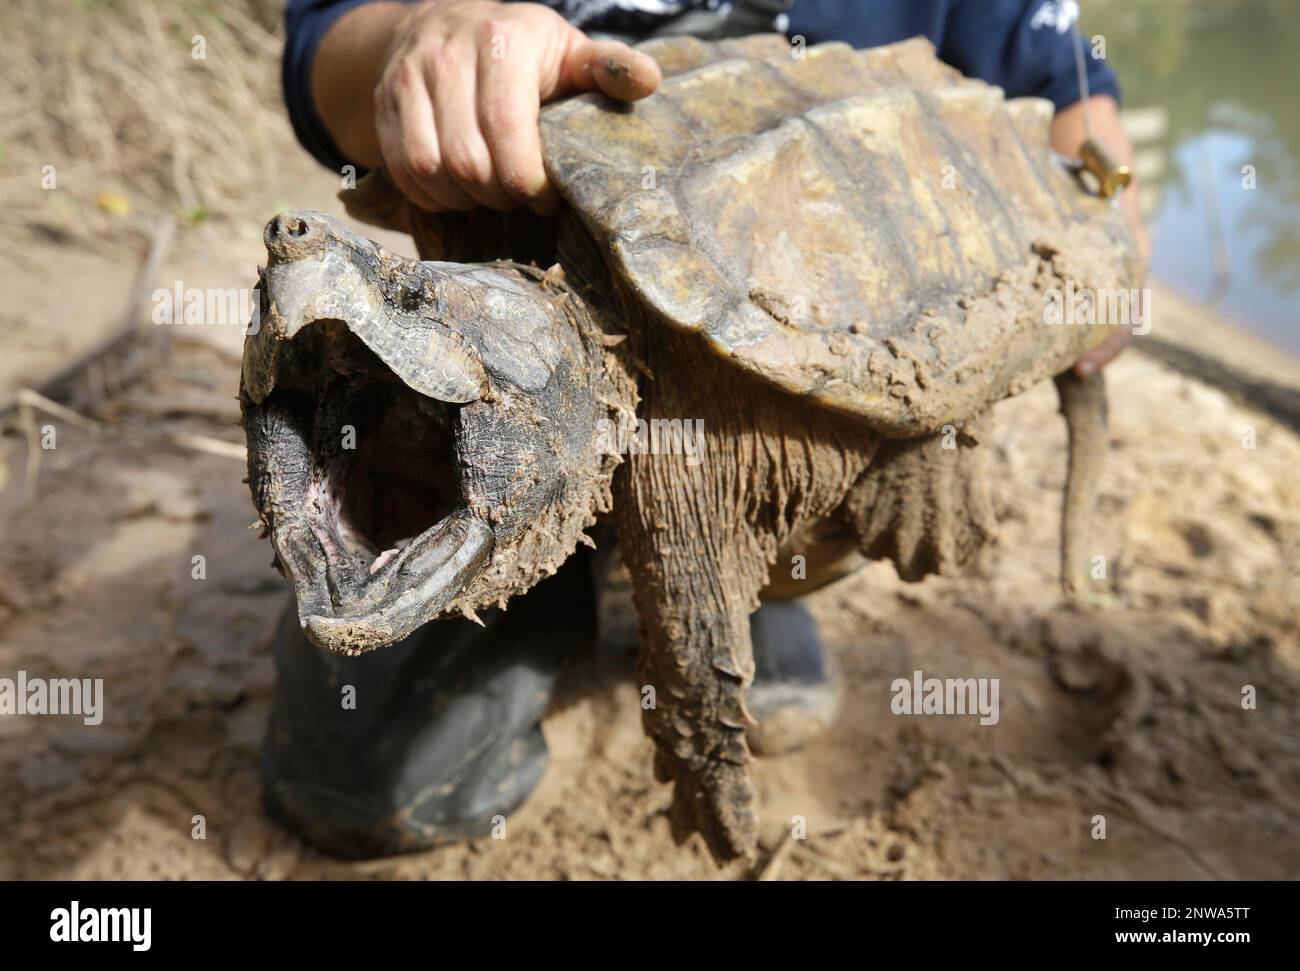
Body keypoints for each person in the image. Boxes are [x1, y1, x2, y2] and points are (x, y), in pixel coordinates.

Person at [267, 0, 1147, 857]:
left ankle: (770, 571)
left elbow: (1071, 106)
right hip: (526, 208)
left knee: (700, 498)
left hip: (803, 374)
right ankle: (534, 544)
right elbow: (320, 47)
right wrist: (413, 37)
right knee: (356, 774)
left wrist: (1106, 244)